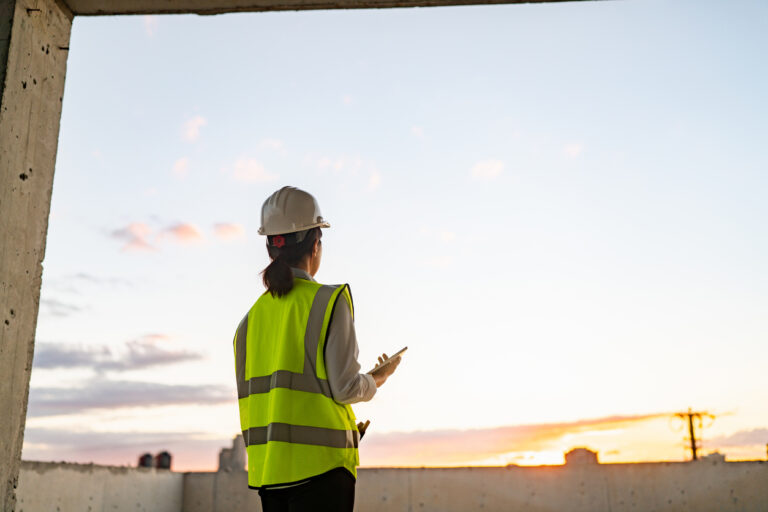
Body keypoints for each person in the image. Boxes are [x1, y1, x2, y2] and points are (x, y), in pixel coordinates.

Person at [233, 186, 401, 512]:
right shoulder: (329, 301)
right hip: (323, 475)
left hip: (270, 477)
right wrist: (379, 376)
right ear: (315, 245)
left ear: (270, 248)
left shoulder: (247, 324)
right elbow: (347, 388)